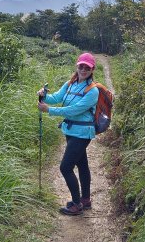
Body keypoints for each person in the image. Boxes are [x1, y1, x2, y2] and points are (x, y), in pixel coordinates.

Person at [37, 52, 99, 216]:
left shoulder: (93, 91)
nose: (83, 69)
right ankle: (85, 200)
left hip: (83, 133)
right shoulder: (70, 83)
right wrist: (44, 95)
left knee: (65, 167)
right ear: (77, 66)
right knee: (82, 164)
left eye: (87, 67)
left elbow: (74, 110)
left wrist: (49, 110)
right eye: (81, 66)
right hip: (71, 131)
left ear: (92, 70)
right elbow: (56, 97)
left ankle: (76, 204)